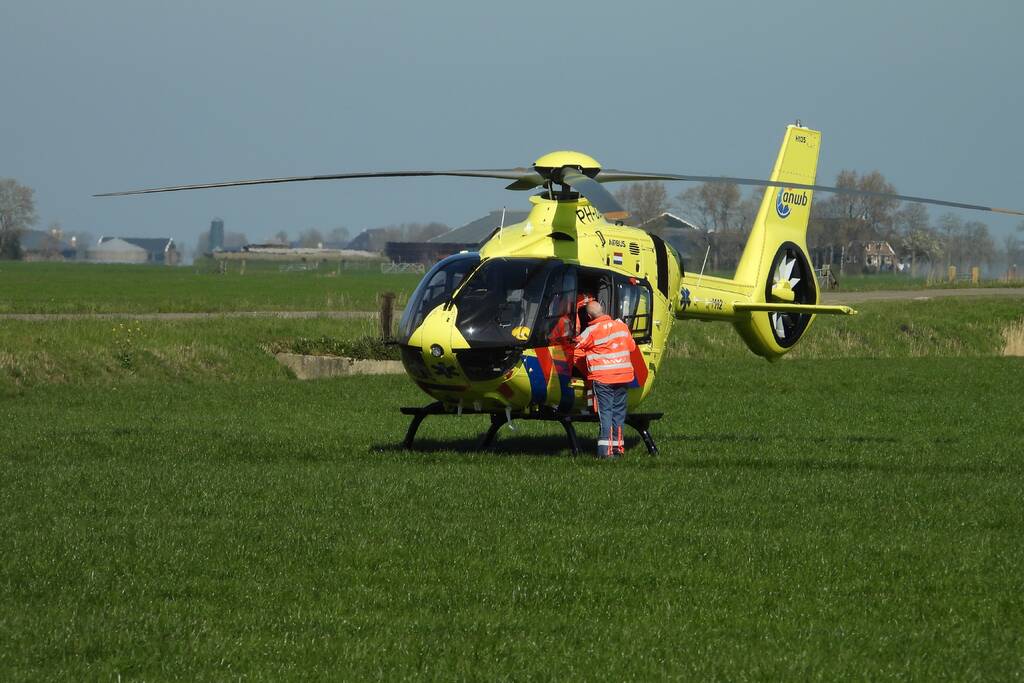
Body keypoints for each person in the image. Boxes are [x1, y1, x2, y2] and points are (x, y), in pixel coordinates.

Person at [573, 300, 636, 459]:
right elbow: (632, 347)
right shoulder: (621, 327)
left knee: (606, 413)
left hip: (603, 379)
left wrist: (584, 364)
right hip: (623, 377)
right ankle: (618, 449)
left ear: (588, 316)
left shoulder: (591, 331)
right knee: (618, 414)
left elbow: (573, 347)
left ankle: (604, 452)